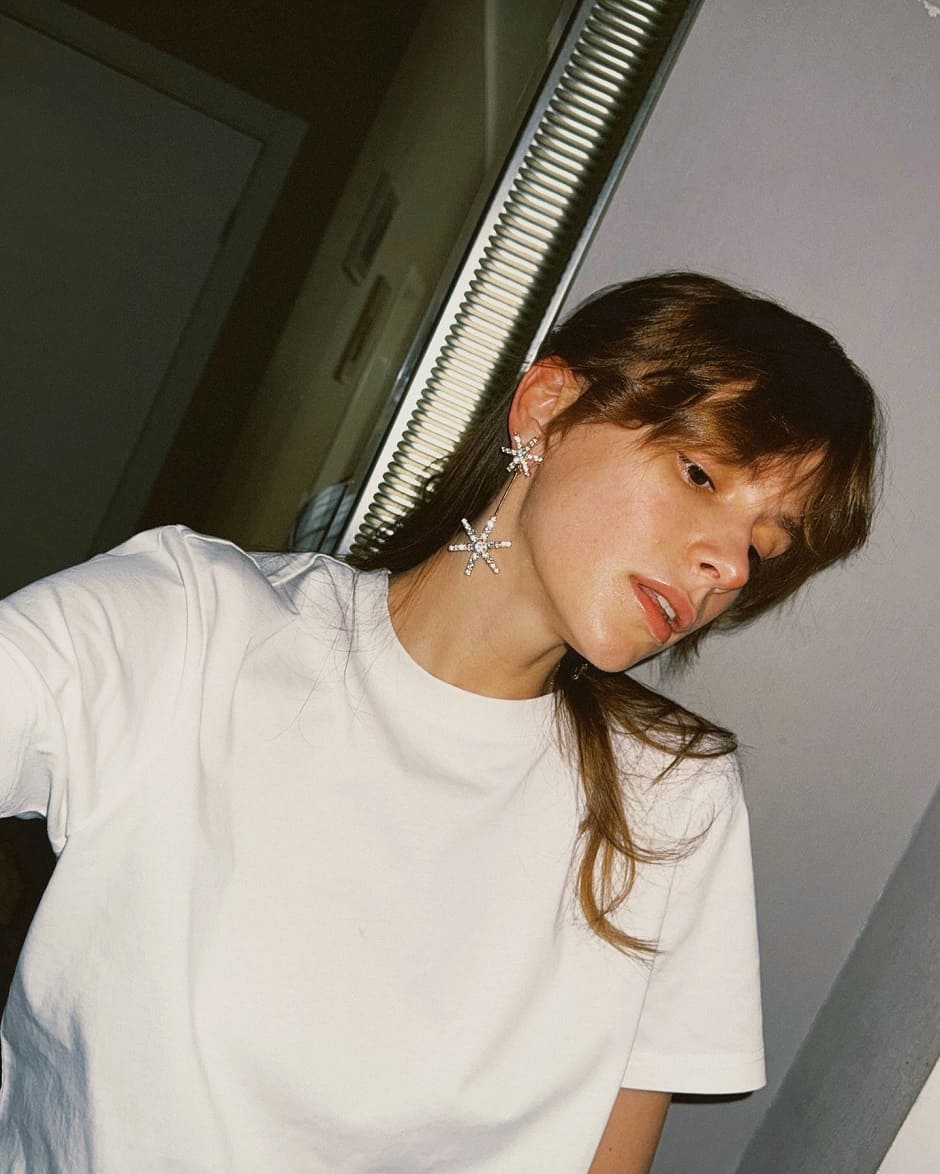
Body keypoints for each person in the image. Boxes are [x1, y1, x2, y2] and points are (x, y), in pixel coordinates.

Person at [0, 273, 880, 1173]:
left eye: (763, 545)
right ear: (547, 408)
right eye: (701, 474)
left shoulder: (671, 797)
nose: (729, 565)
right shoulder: (191, 625)